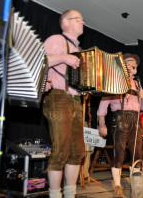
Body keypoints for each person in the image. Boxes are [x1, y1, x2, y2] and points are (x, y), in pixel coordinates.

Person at [42, 10, 85, 198]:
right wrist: (64, 58)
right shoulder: (56, 40)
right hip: (58, 97)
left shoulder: (79, 47)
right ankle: (54, 195)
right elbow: (38, 62)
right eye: (79, 19)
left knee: (77, 152)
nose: (83, 22)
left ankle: (70, 194)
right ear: (65, 22)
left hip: (76, 100)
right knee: (61, 150)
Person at [97, 53, 143, 198]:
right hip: (120, 117)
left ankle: (135, 185)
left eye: (135, 63)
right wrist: (101, 124)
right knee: (119, 153)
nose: (134, 64)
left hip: (136, 119)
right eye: (130, 62)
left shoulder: (137, 84)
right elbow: (103, 104)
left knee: (137, 153)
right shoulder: (114, 80)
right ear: (123, 65)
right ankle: (118, 186)